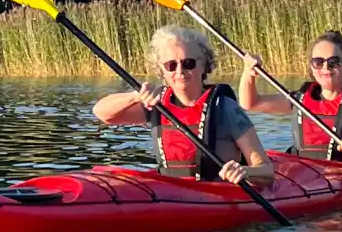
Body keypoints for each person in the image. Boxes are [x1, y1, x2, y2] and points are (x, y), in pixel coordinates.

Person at [92, 25, 275, 187]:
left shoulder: (225, 108)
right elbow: (102, 113)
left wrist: (244, 172)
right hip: (171, 193)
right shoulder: (156, 104)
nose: (180, 71)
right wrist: (134, 97)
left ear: (204, 65)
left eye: (189, 63)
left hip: (218, 194)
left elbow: (266, 171)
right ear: (162, 70)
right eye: (171, 65)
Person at [237, 30, 342, 164]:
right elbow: (250, 103)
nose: (325, 68)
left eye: (333, 62)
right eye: (318, 62)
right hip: (304, 172)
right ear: (311, 66)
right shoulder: (301, 99)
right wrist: (248, 72)